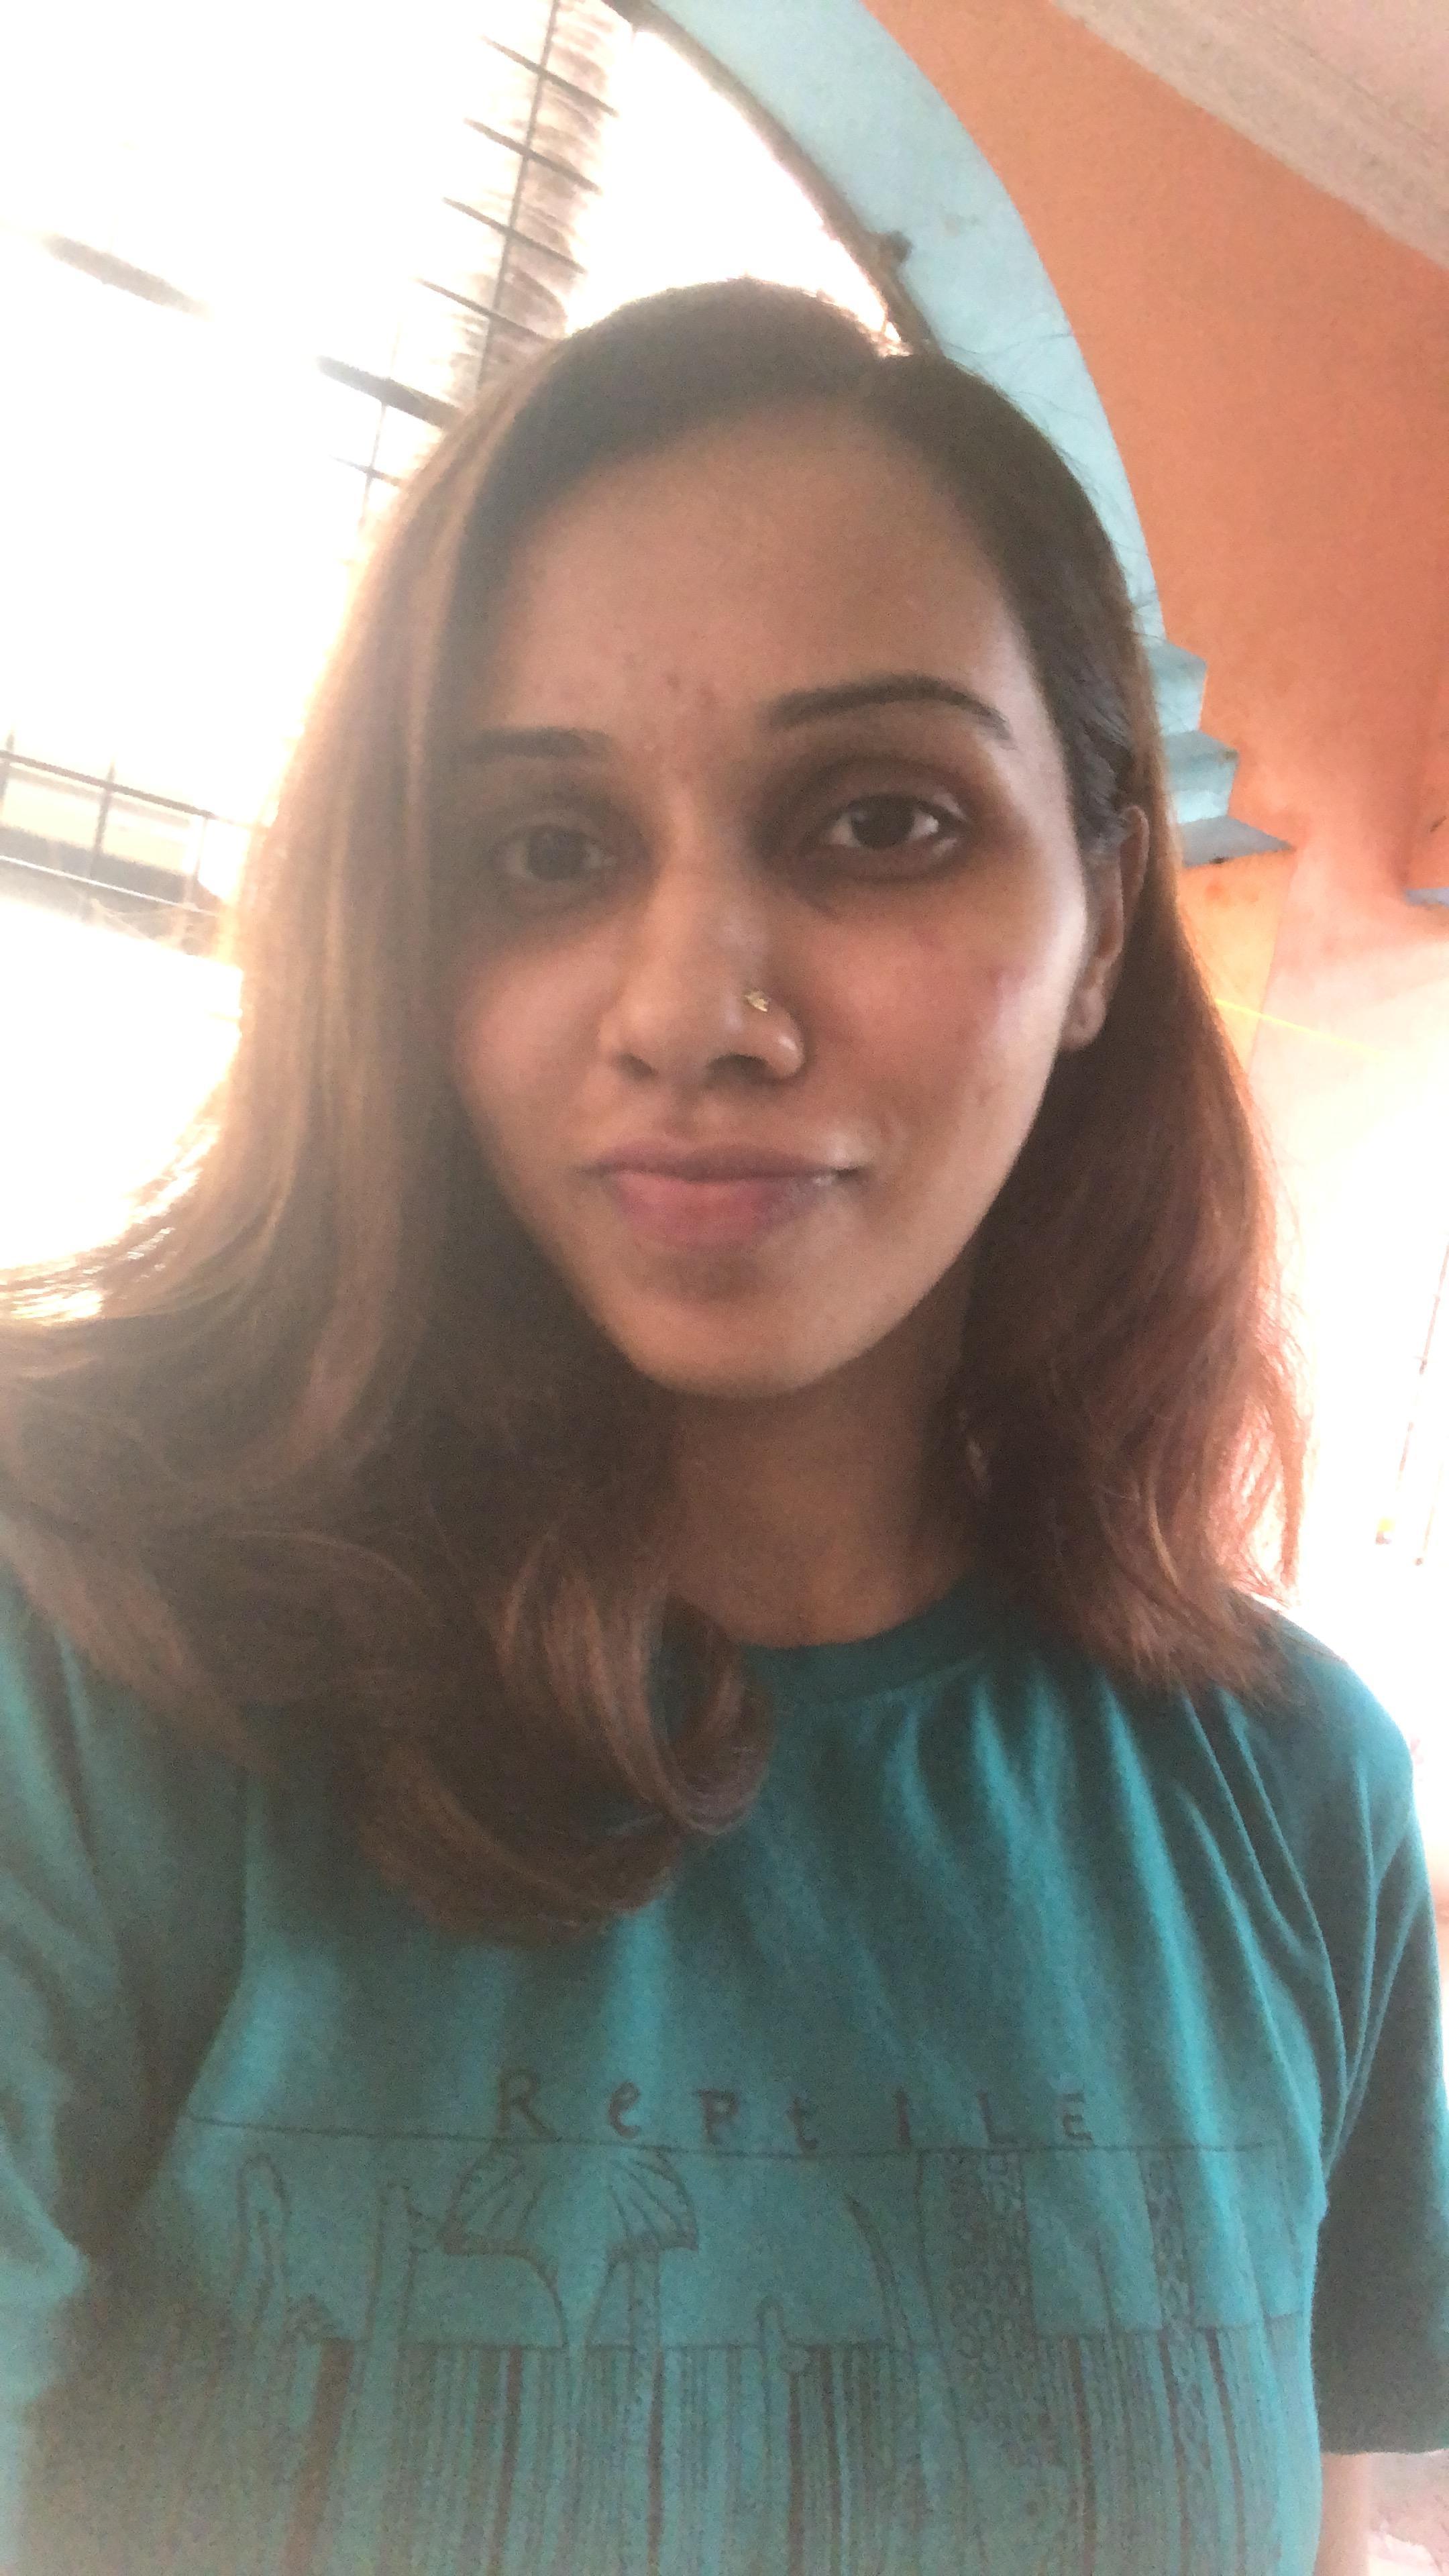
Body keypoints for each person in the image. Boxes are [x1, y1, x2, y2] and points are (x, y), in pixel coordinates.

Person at [0, 277, 1444, 2576]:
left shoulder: (1301, 1802)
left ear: (1100, 919)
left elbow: (1351, 2532)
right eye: (545, 852)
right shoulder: (86, 1680)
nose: (693, 1011)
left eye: (880, 820)